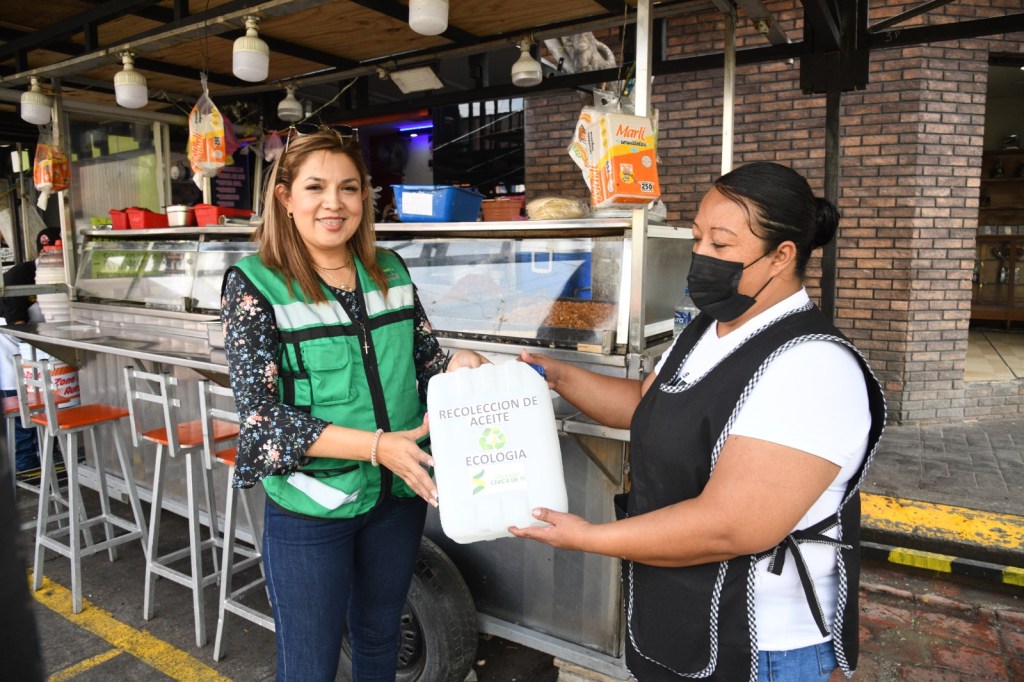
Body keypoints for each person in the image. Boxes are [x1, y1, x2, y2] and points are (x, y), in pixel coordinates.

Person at [510, 162, 886, 682]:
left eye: (722, 244)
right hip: (681, 616)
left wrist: (589, 538)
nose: (701, 256)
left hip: (762, 646)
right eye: (698, 237)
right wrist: (552, 374)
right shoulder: (707, 330)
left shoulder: (811, 365)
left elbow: (731, 525)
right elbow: (649, 406)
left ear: (782, 256)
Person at [221, 126, 487, 682]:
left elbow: (423, 361)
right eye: (315, 187)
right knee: (310, 661)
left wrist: (456, 364)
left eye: (348, 188)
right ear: (284, 196)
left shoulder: (389, 269)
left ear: (364, 197)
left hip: (397, 495)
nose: (333, 203)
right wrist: (374, 447)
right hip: (313, 506)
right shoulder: (255, 284)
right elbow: (262, 419)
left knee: (379, 636)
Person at [1, 226, 62, 475]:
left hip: (38, 339)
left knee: (45, 396)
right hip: (9, 340)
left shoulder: (64, 272)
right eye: (48, 252)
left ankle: (50, 453)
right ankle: (25, 461)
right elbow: (17, 320)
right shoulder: (20, 274)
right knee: (20, 397)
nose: (53, 257)